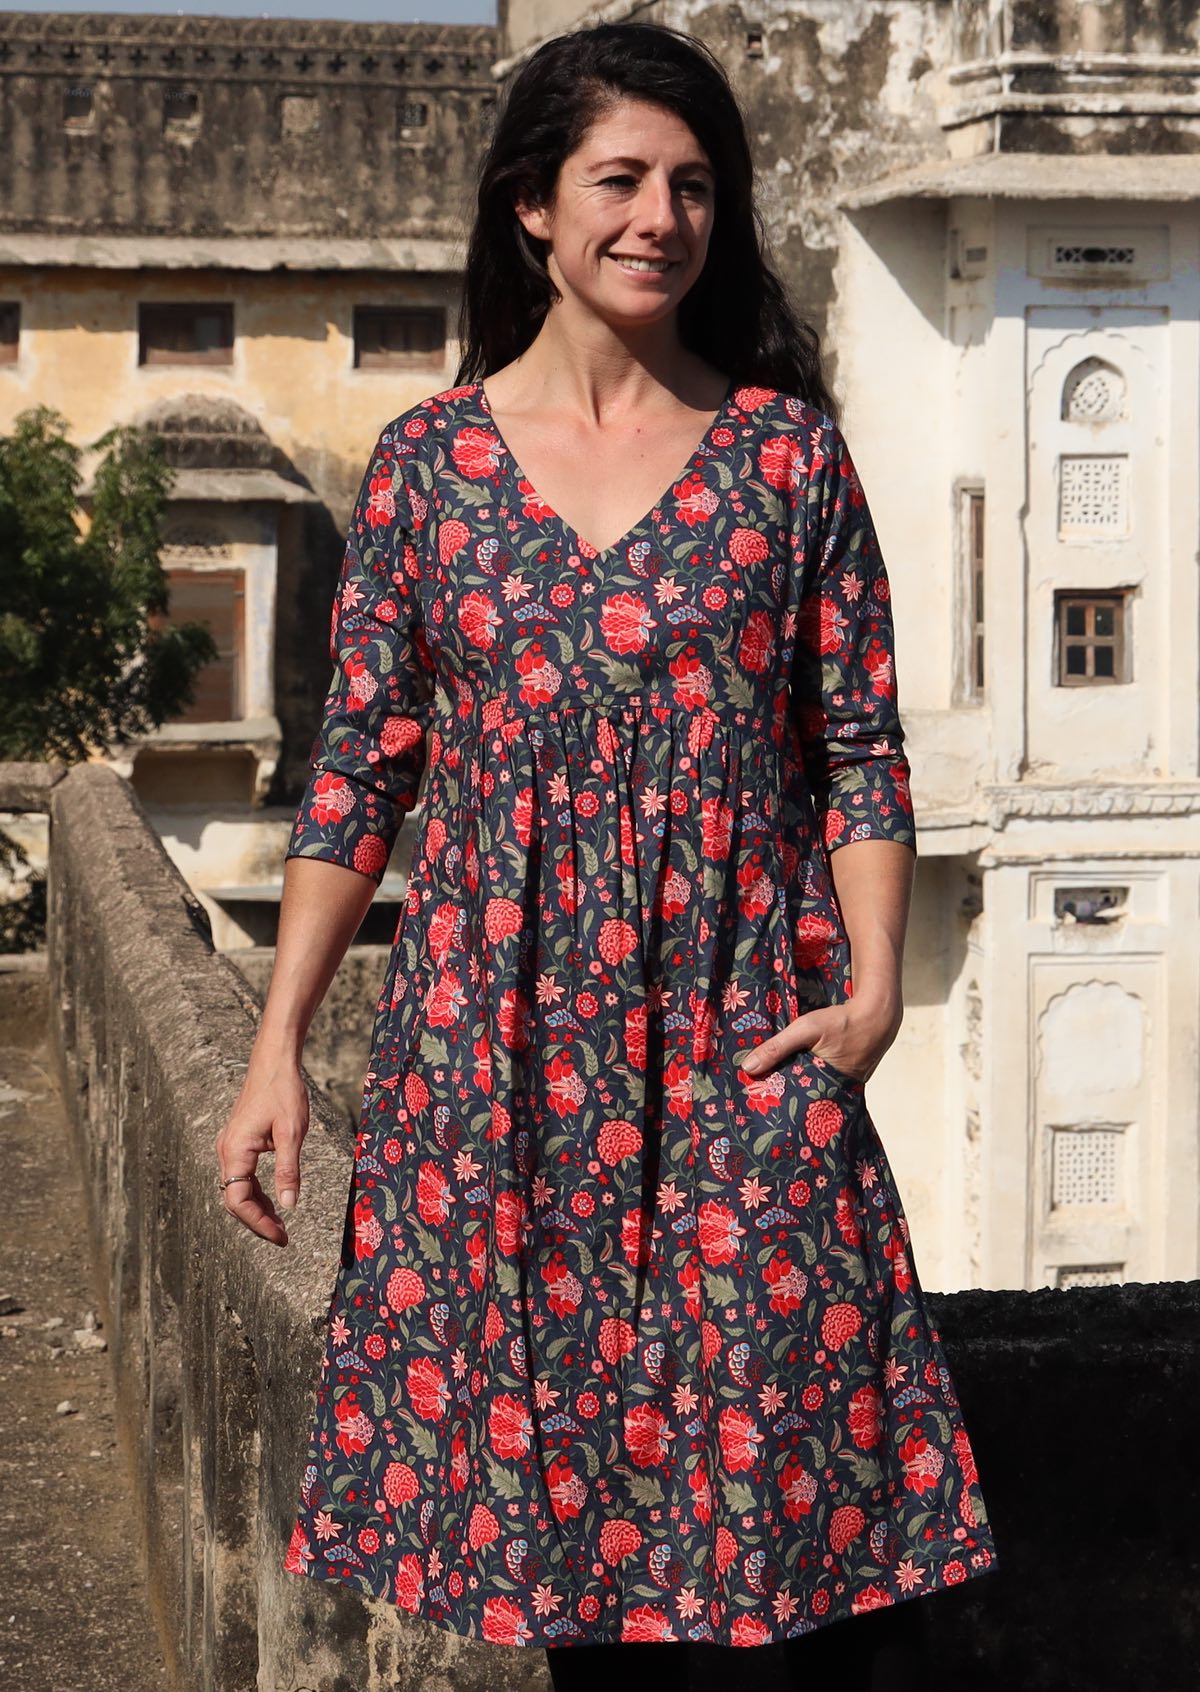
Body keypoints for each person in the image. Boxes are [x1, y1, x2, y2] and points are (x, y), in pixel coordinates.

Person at [215, 19, 999, 1689]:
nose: (662, 217)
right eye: (624, 179)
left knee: (792, 1544)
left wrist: (872, 999)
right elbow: (359, 775)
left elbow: (858, 748)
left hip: (738, 1044)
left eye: (697, 185)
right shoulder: (430, 469)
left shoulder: (785, 456)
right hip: (491, 1066)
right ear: (533, 212)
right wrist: (277, 1046)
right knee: (576, 1573)